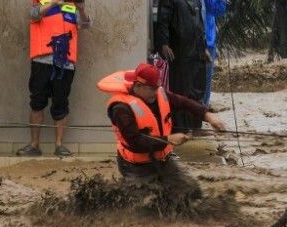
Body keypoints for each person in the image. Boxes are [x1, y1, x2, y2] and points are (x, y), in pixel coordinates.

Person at [97, 62, 226, 183]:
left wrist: (207, 115)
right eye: (152, 88)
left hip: (163, 160)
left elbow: (184, 103)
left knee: (190, 190)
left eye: (157, 87)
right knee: (151, 197)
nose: (156, 92)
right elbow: (135, 142)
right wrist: (168, 139)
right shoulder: (121, 108)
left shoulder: (158, 94)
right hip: (136, 166)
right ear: (138, 85)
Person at [17, 0, 92, 158]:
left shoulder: (71, 7)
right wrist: (53, 3)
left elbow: (86, 25)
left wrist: (81, 10)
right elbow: (33, 15)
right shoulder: (40, 2)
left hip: (65, 64)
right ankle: (34, 145)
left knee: (61, 103)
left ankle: (59, 145)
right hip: (42, 61)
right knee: (37, 102)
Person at [154, 0, 207, 129]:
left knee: (197, 89)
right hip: (180, 51)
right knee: (181, 90)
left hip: (197, 51)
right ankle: (180, 127)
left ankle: (195, 125)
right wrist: (164, 43)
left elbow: (199, 24)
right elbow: (162, 22)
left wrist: (204, 47)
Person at [193, 0, 229, 106]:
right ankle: (203, 108)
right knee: (205, 79)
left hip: (206, 39)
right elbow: (217, 9)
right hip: (206, 41)